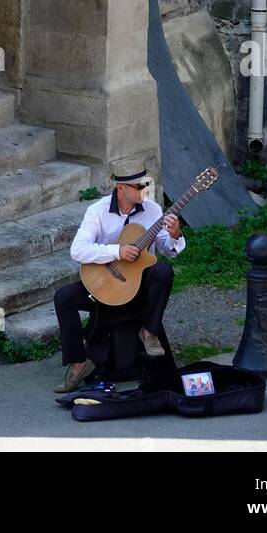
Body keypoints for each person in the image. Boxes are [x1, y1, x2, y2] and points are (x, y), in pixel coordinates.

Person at [52, 164, 186, 394]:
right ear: (121, 187)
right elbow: (78, 250)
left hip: (138, 285)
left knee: (163, 271)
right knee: (63, 298)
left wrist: (175, 235)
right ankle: (79, 362)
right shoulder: (98, 211)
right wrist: (116, 252)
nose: (144, 189)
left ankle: (149, 332)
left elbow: (168, 249)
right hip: (105, 283)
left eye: (147, 184)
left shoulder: (153, 210)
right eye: (139, 186)